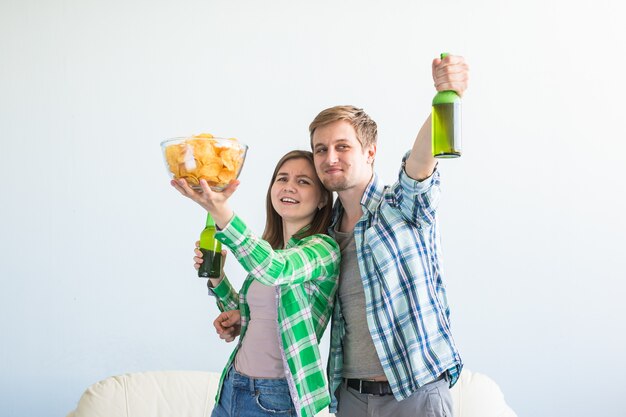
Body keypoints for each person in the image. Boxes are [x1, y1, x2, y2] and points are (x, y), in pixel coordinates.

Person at [305, 54, 469, 417]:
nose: (330, 157)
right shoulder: (324, 236)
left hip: (415, 394)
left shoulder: (401, 205)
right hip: (351, 398)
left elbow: (422, 161)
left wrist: (446, 95)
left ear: (370, 151)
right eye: (321, 149)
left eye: (342, 146)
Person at [170, 150, 340, 417]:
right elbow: (244, 314)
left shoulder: (322, 250)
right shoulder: (271, 249)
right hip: (232, 385)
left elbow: (276, 268)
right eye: (282, 179)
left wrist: (220, 210)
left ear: (321, 199)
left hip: (274, 398)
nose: (289, 186)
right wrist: (218, 277)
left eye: (303, 181)